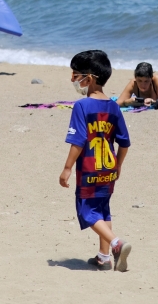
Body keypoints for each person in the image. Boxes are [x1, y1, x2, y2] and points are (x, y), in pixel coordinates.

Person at [59, 50, 132, 271]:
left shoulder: (82, 105)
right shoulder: (113, 106)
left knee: (86, 211)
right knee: (103, 209)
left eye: (75, 75)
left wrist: (67, 168)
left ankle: (116, 243)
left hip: (89, 169)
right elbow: (125, 142)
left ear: (88, 78)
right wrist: (118, 165)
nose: (73, 80)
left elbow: (79, 140)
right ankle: (104, 257)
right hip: (109, 168)